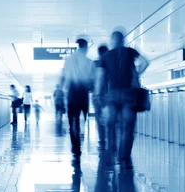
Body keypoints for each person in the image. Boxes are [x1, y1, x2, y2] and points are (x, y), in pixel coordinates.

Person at [98, 30, 149, 169]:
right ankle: (124, 158)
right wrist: (137, 73)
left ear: (112, 41)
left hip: (112, 96)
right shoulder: (130, 51)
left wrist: (100, 96)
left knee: (110, 126)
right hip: (129, 95)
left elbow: (101, 78)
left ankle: (112, 152)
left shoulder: (106, 56)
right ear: (123, 40)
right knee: (128, 128)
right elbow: (145, 62)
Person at [60, 38, 95, 161]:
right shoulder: (89, 62)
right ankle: (79, 138)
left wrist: (63, 91)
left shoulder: (68, 60)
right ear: (85, 47)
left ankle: (76, 148)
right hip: (83, 94)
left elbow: (63, 77)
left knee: (72, 122)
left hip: (71, 94)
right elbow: (92, 80)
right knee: (82, 121)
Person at [93, 44, 109, 151]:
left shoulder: (94, 64)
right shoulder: (112, 62)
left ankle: (102, 140)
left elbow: (93, 79)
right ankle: (111, 139)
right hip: (110, 94)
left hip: (97, 95)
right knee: (111, 117)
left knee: (99, 119)